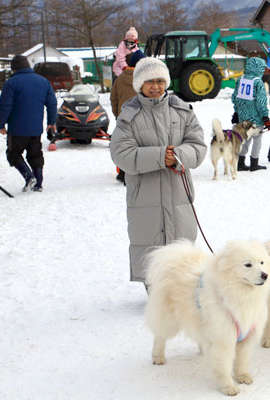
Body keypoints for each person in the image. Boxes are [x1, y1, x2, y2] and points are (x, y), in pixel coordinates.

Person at [109, 57, 207, 289]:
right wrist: (160, 156)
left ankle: (183, 291)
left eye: (160, 81)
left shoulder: (182, 111)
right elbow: (121, 153)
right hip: (145, 198)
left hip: (179, 196)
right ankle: (155, 293)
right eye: (150, 81)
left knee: (181, 247)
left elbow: (198, 147)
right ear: (140, 85)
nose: (156, 86)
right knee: (151, 247)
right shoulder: (129, 116)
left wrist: (179, 155)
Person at [0, 55, 56, 192]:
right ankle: (38, 183)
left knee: (13, 154)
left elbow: (5, 106)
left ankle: (29, 177)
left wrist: (1, 124)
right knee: (35, 155)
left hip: (17, 129)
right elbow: (52, 103)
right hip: (35, 128)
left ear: (14, 69)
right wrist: (51, 122)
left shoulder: (11, 83)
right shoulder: (43, 81)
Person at [231, 57, 270, 172]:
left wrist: (236, 112)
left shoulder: (241, 79)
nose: (263, 71)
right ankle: (254, 163)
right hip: (256, 117)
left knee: (245, 139)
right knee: (257, 140)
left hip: (243, 117)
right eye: (262, 68)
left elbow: (235, 97)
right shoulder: (258, 82)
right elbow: (261, 102)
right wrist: (265, 117)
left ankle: (240, 162)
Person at [110, 50, 144, 183]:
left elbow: (113, 99)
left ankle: (123, 173)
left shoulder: (119, 79)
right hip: (141, 118)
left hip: (123, 117)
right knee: (139, 146)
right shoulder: (143, 80)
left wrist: (117, 115)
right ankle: (136, 172)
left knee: (124, 146)